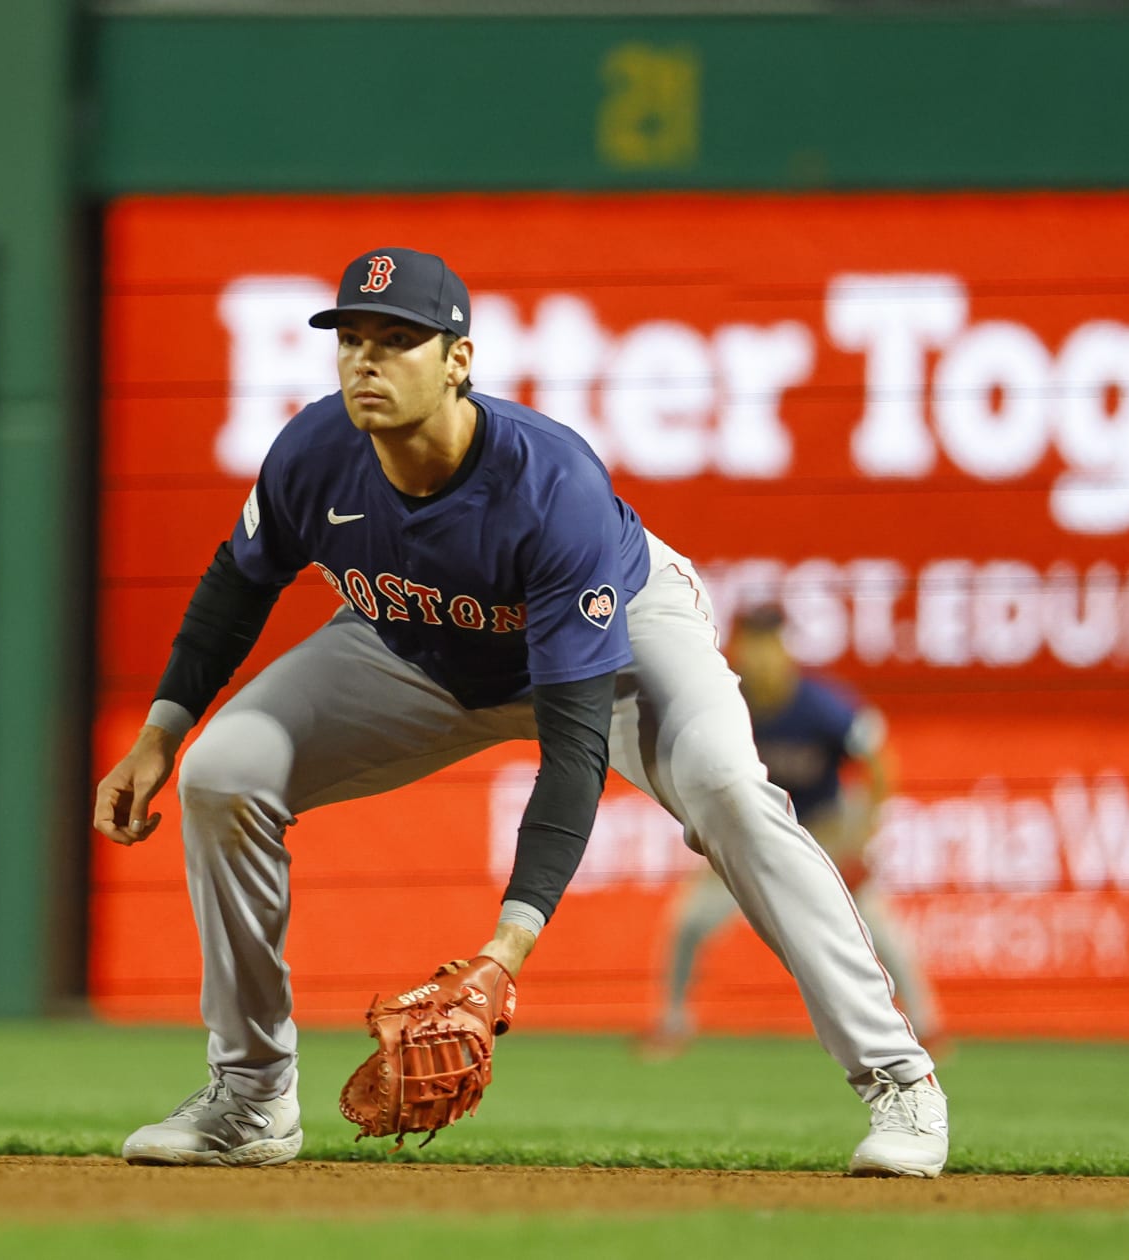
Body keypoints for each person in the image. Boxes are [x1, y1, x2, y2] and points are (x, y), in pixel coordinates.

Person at [93, 248, 949, 1177]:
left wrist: (510, 943)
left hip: (617, 639)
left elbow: (573, 745)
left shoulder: (550, 488)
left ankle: (899, 1080)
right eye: (352, 339)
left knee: (725, 787)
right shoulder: (315, 451)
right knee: (224, 772)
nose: (367, 360)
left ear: (459, 360)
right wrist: (161, 731)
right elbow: (237, 581)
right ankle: (250, 1097)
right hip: (415, 641)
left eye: (399, 339)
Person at [645, 604, 944, 1060]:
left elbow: (880, 762)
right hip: (751, 832)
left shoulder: (820, 704)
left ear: (785, 649)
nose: (762, 657)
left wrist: (860, 841)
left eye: (771, 645)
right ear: (738, 649)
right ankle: (673, 1022)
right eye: (754, 645)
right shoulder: (723, 699)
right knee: (689, 922)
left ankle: (928, 1025)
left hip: (822, 828)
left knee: (877, 929)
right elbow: (682, 764)